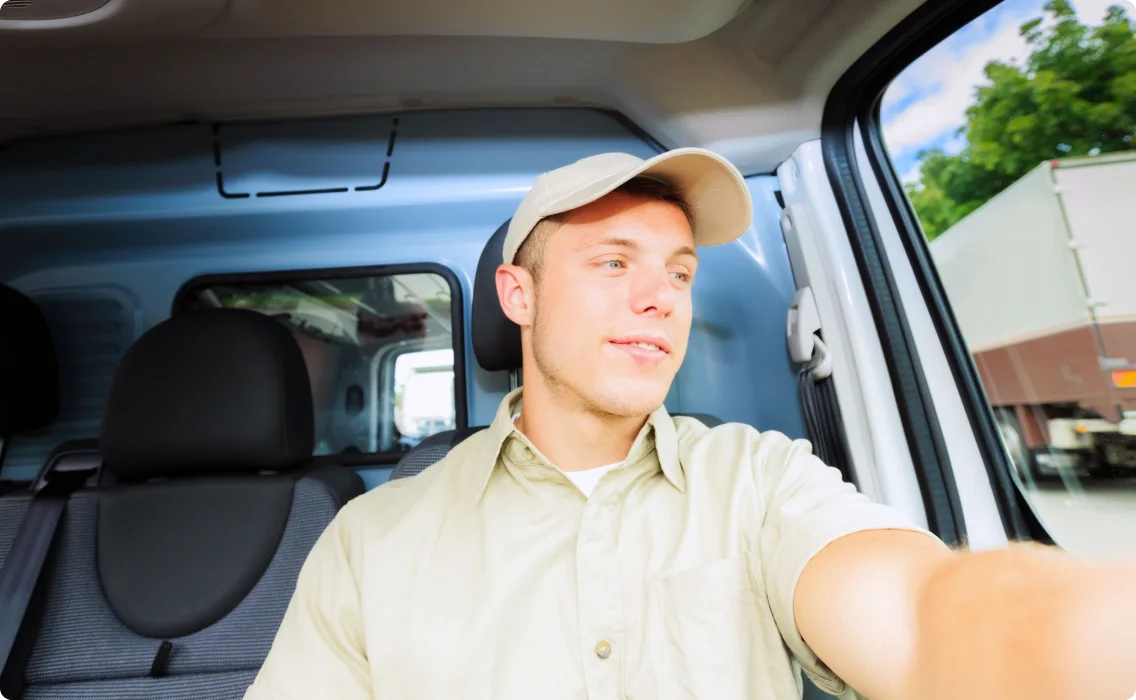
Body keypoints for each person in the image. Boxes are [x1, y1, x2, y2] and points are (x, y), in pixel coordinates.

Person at [244, 148, 1135, 700]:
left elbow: (912, 610)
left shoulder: (759, 479)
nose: (658, 297)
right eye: (612, 260)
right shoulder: (373, 540)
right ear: (518, 294)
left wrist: (1069, 644)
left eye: (677, 272)